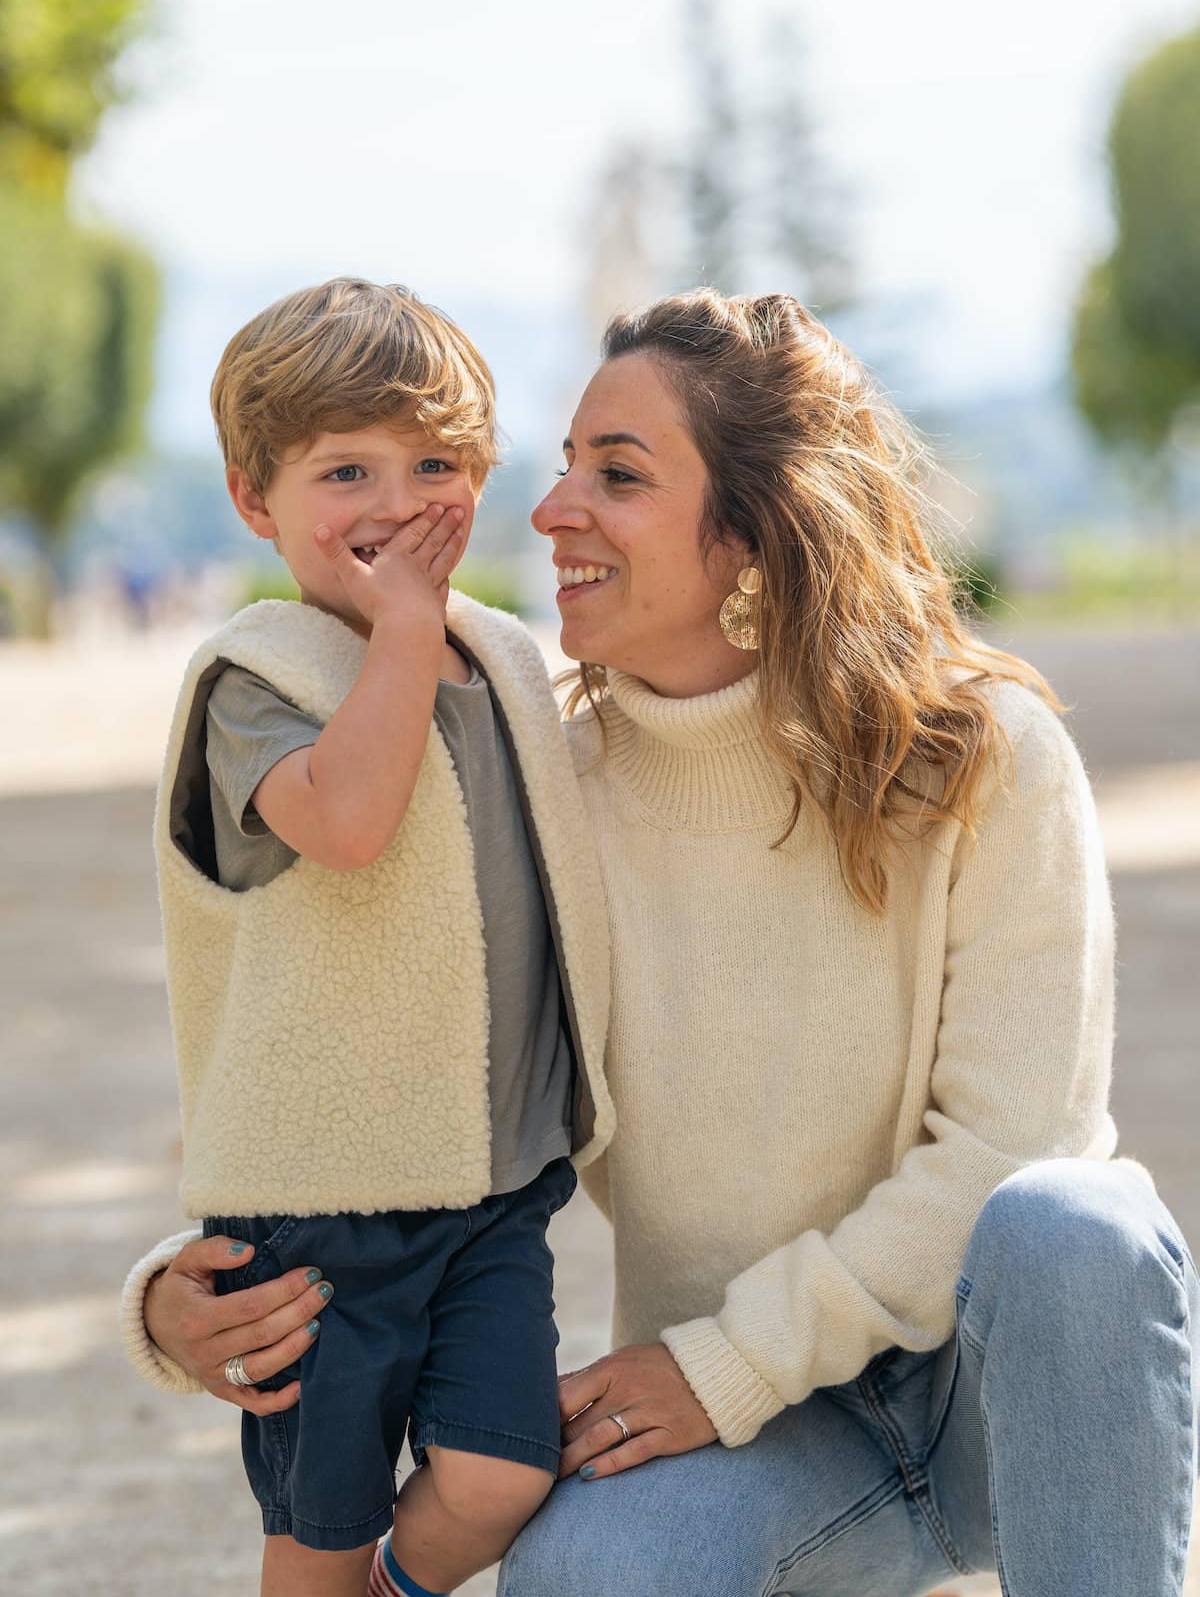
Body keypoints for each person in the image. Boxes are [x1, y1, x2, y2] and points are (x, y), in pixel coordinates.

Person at [124, 290, 1199, 1596]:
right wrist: (178, 1301)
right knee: (581, 1573)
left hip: (996, 1396)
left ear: (754, 534)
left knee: (1081, 1222)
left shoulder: (983, 759)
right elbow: (361, 1039)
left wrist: (726, 1361)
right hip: (762, 1440)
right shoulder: (537, 784)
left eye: (616, 475)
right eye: (565, 464)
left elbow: (1010, 1145)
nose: (550, 509)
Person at [128, 277, 614, 1597]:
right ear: (254, 499)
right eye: (347, 469)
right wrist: (402, 630)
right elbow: (344, 821)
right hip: (317, 1204)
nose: (397, 502)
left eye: (435, 463)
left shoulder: (509, 661)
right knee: (318, 1535)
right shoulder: (258, 677)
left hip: (496, 1186)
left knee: (503, 1474)